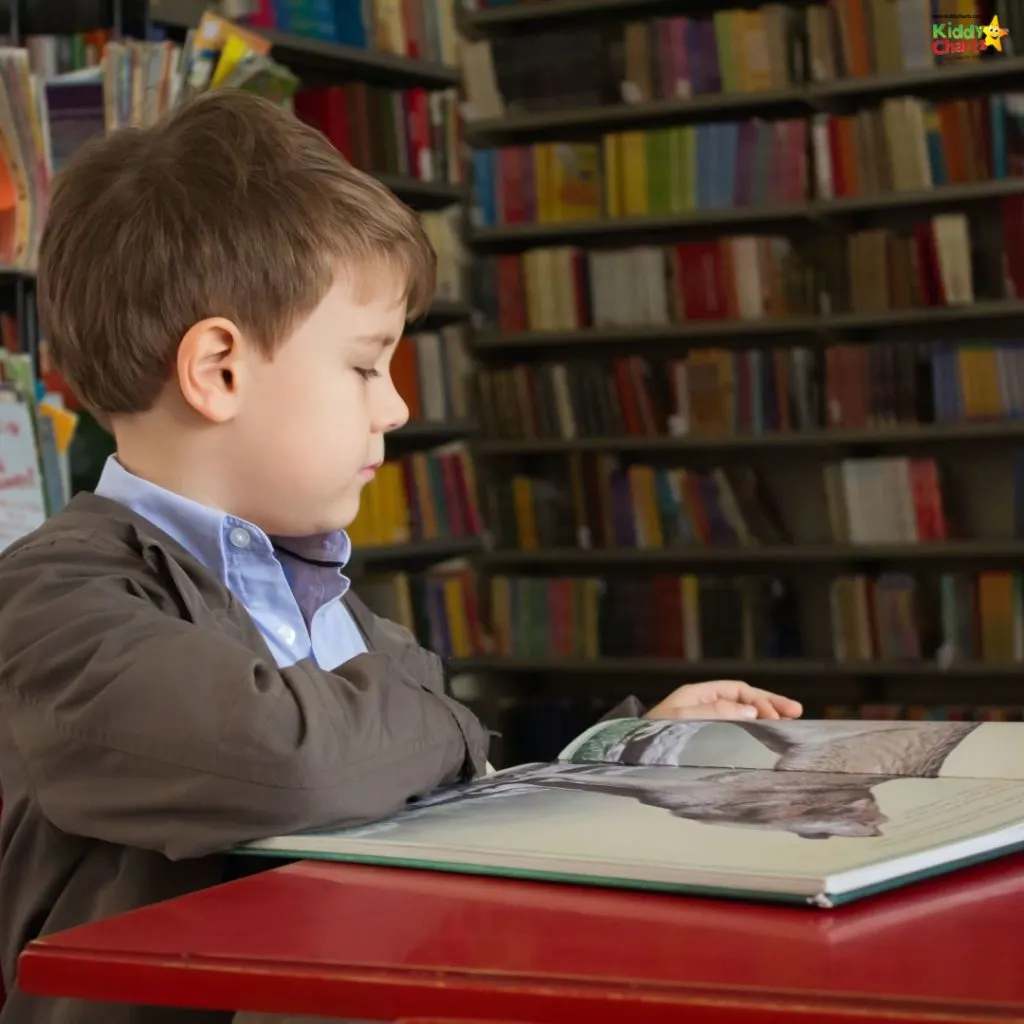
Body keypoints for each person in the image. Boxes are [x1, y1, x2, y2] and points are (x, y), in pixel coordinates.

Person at [0, 90, 802, 1024]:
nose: (396, 408)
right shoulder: (52, 600)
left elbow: (423, 794)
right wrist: (447, 726)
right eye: (364, 364)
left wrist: (618, 757)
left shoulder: (320, 595)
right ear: (218, 369)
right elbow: (296, 767)